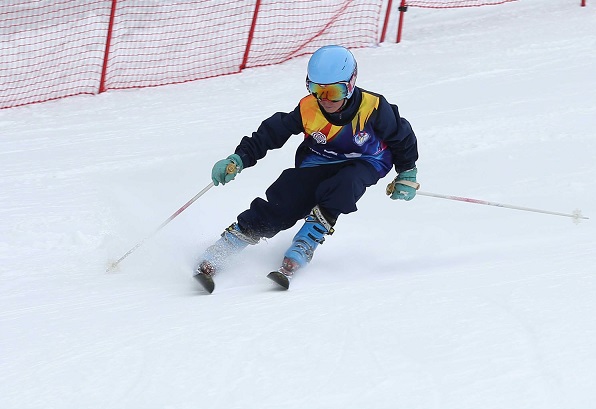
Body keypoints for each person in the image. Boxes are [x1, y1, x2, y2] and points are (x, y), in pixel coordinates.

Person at [194, 45, 419, 293]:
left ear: (351, 84)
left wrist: (407, 171)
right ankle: (231, 243)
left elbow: (402, 136)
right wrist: (240, 157)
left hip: (367, 160)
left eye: (334, 91)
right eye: (316, 90)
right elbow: (273, 132)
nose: (325, 99)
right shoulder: (308, 108)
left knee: (346, 184)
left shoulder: (373, 107)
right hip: (318, 160)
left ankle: (307, 239)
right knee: (287, 196)